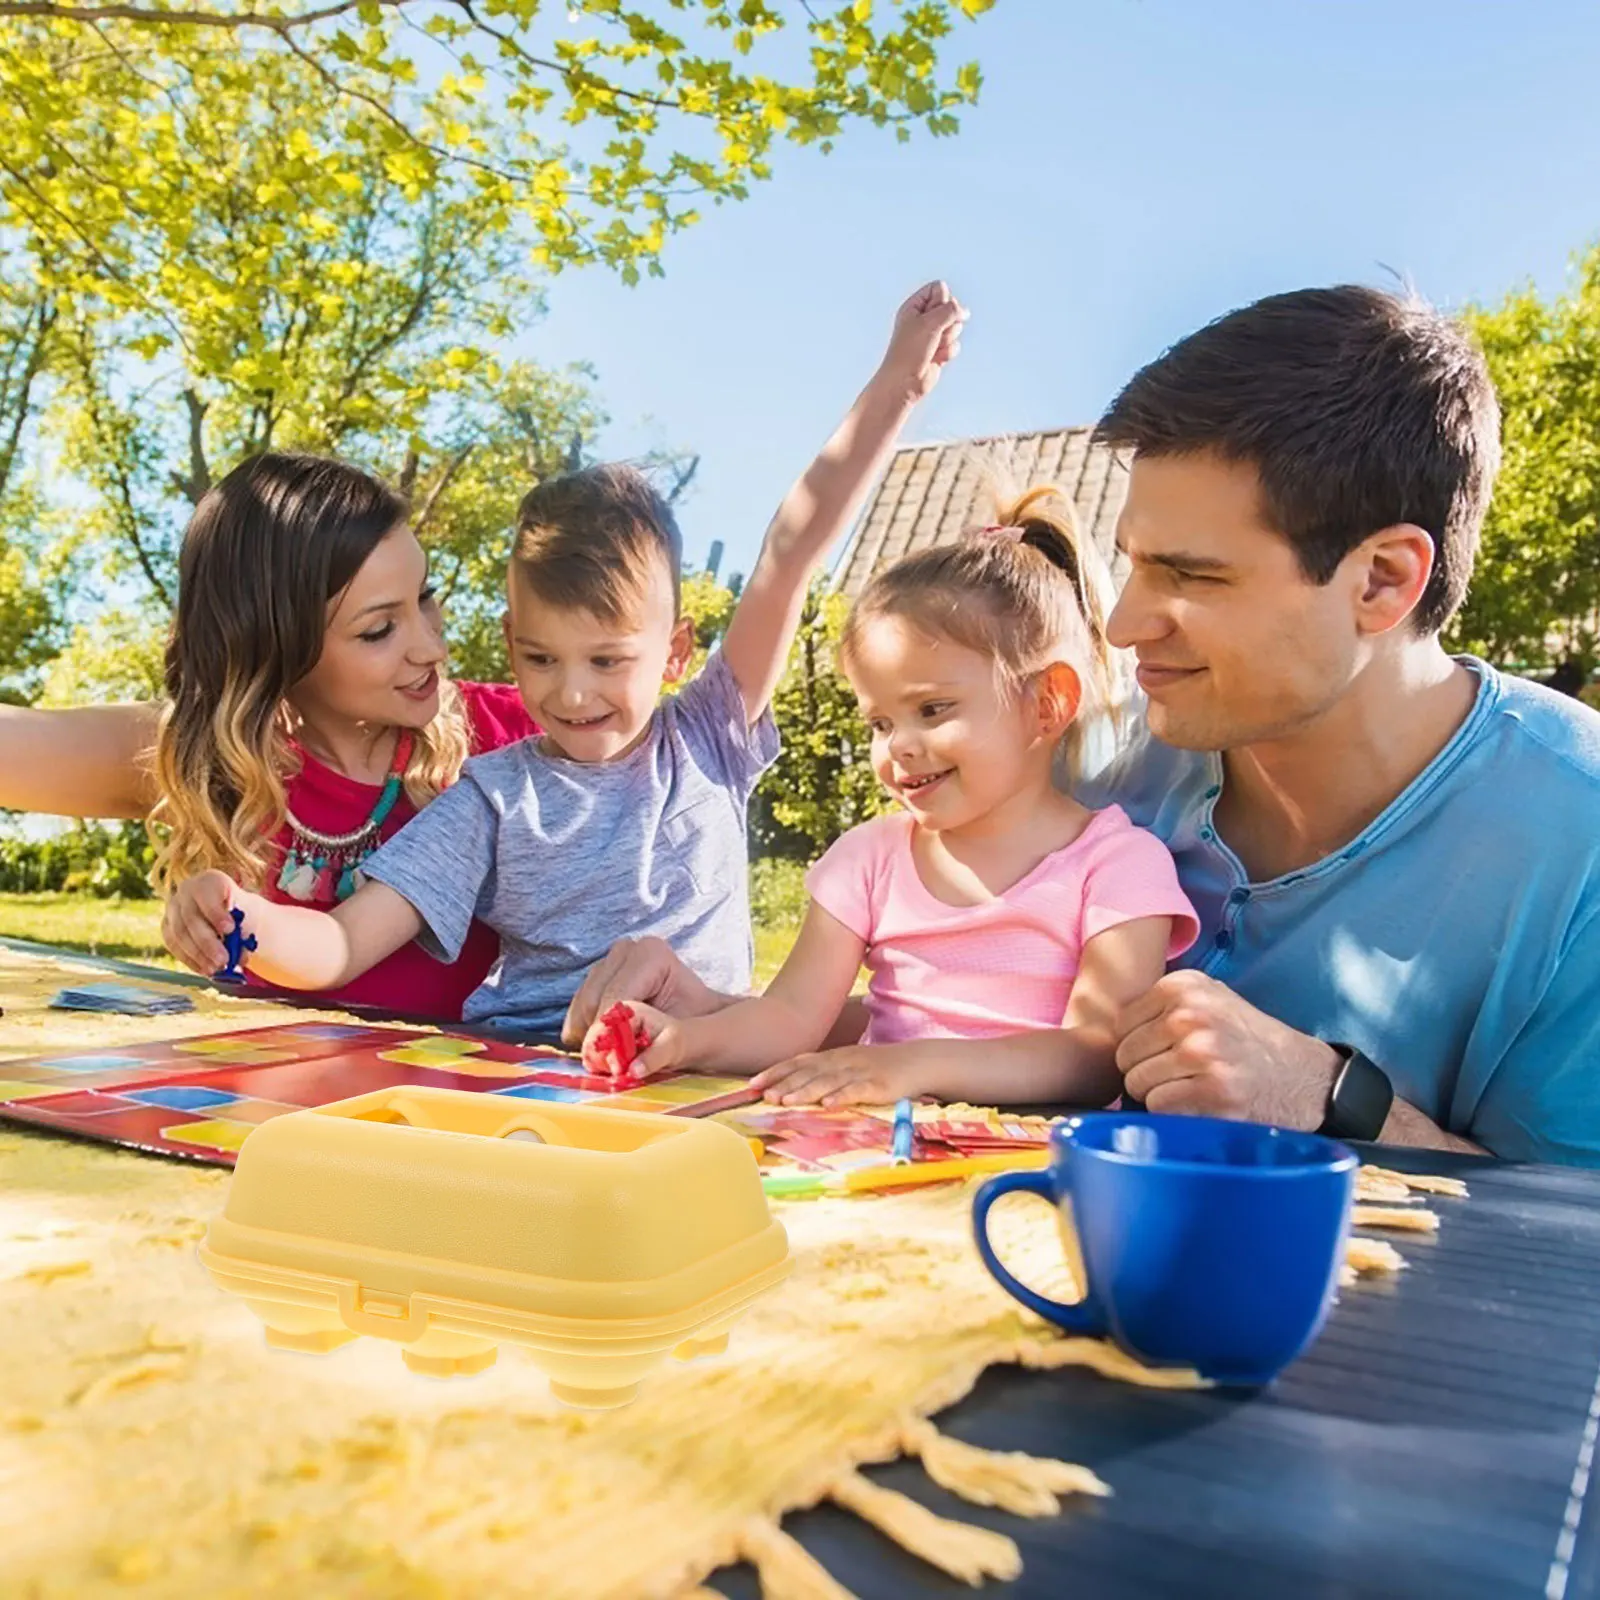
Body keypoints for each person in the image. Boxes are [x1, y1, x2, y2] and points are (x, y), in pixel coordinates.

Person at [569, 285, 1600, 1166]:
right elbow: (968, 1016)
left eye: (1191, 575)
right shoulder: (1112, 765)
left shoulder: (1575, 842)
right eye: (1134, 561)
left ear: (1381, 580)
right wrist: (715, 1016)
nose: (1119, 623)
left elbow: (1573, 1246)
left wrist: (1330, 1097)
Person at [163, 283, 970, 1036]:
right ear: (511, 642)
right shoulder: (488, 796)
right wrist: (238, 921)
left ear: (675, 651)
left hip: (697, 1064)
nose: (573, 693)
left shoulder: (712, 735)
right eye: (541, 658)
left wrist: (897, 386)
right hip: (536, 1078)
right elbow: (341, 945)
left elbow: (789, 553)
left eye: (609, 661)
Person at [586, 488, 1199, 1105]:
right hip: (879, 1162)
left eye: (932, 709)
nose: (898, 745)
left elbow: (1095, 1057)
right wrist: (684, 1039)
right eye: (879, 723)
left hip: (1033, 1175)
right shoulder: (870, 858)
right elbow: (791, 1019)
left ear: (1047, 704)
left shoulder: (1119, 864)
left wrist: (911, 1066)